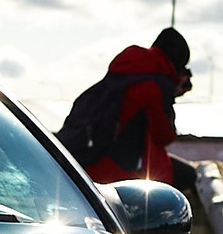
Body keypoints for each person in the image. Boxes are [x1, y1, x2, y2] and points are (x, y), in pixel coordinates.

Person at [57, 26, 192, 183]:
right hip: (118, 171)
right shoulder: (157, 86)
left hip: (88, 159)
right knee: (189, 177)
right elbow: (163, 136)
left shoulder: (126, 71)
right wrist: (172, 93)